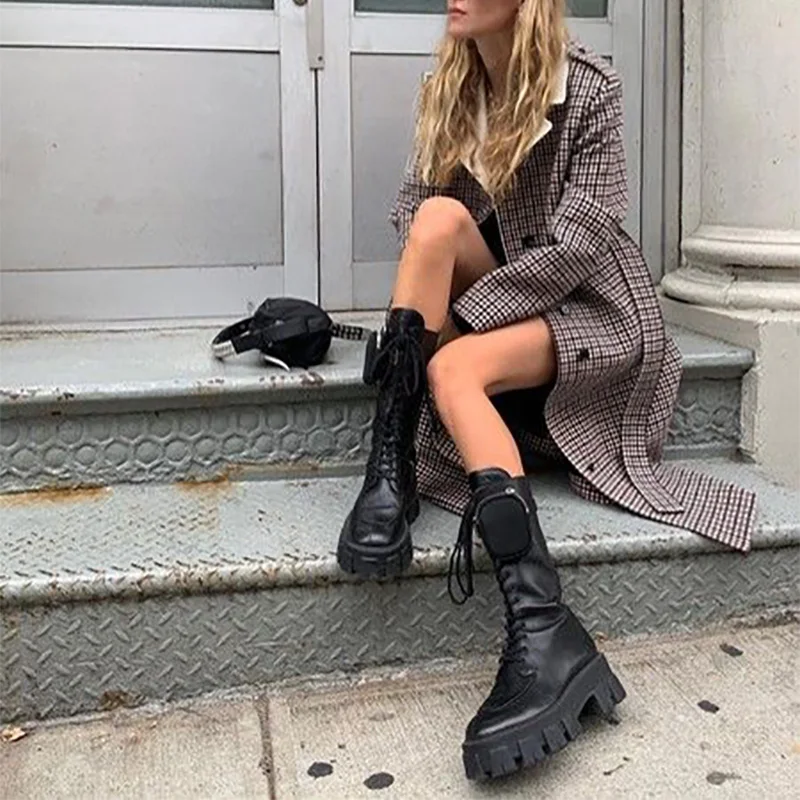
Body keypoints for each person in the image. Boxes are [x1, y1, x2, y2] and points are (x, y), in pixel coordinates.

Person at [336, 0, 756, 782]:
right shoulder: (449, 86)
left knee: (452, 367)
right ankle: (388, 470)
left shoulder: (589, 89)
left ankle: (544, 625)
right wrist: (448, 288)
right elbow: (412, 214)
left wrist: (462, 320)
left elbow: (578, 247)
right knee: (435, 220)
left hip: (587, 309)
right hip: (503, 296)